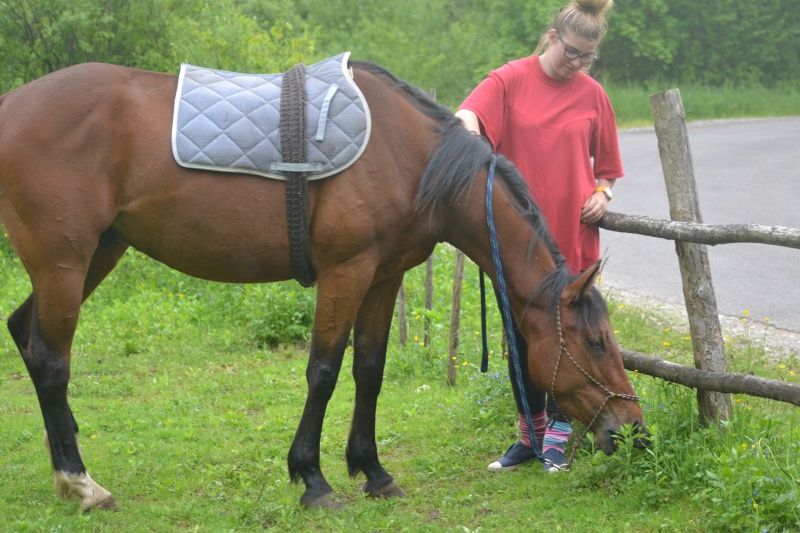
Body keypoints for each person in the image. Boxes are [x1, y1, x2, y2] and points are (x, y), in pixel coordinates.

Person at [455, 0, 623, 472]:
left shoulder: (593, 94)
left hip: (571, 241)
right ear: (552, 36)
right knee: (521, 339)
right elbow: (468, 116)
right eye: (571, 52)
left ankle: (560, 436)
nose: (576, 63)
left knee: (571, 340)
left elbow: (607, 165)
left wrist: (604, 192)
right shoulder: (509, 79)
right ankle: (530, 436)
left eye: (587, 57)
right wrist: (468, 134)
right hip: (517, 246)